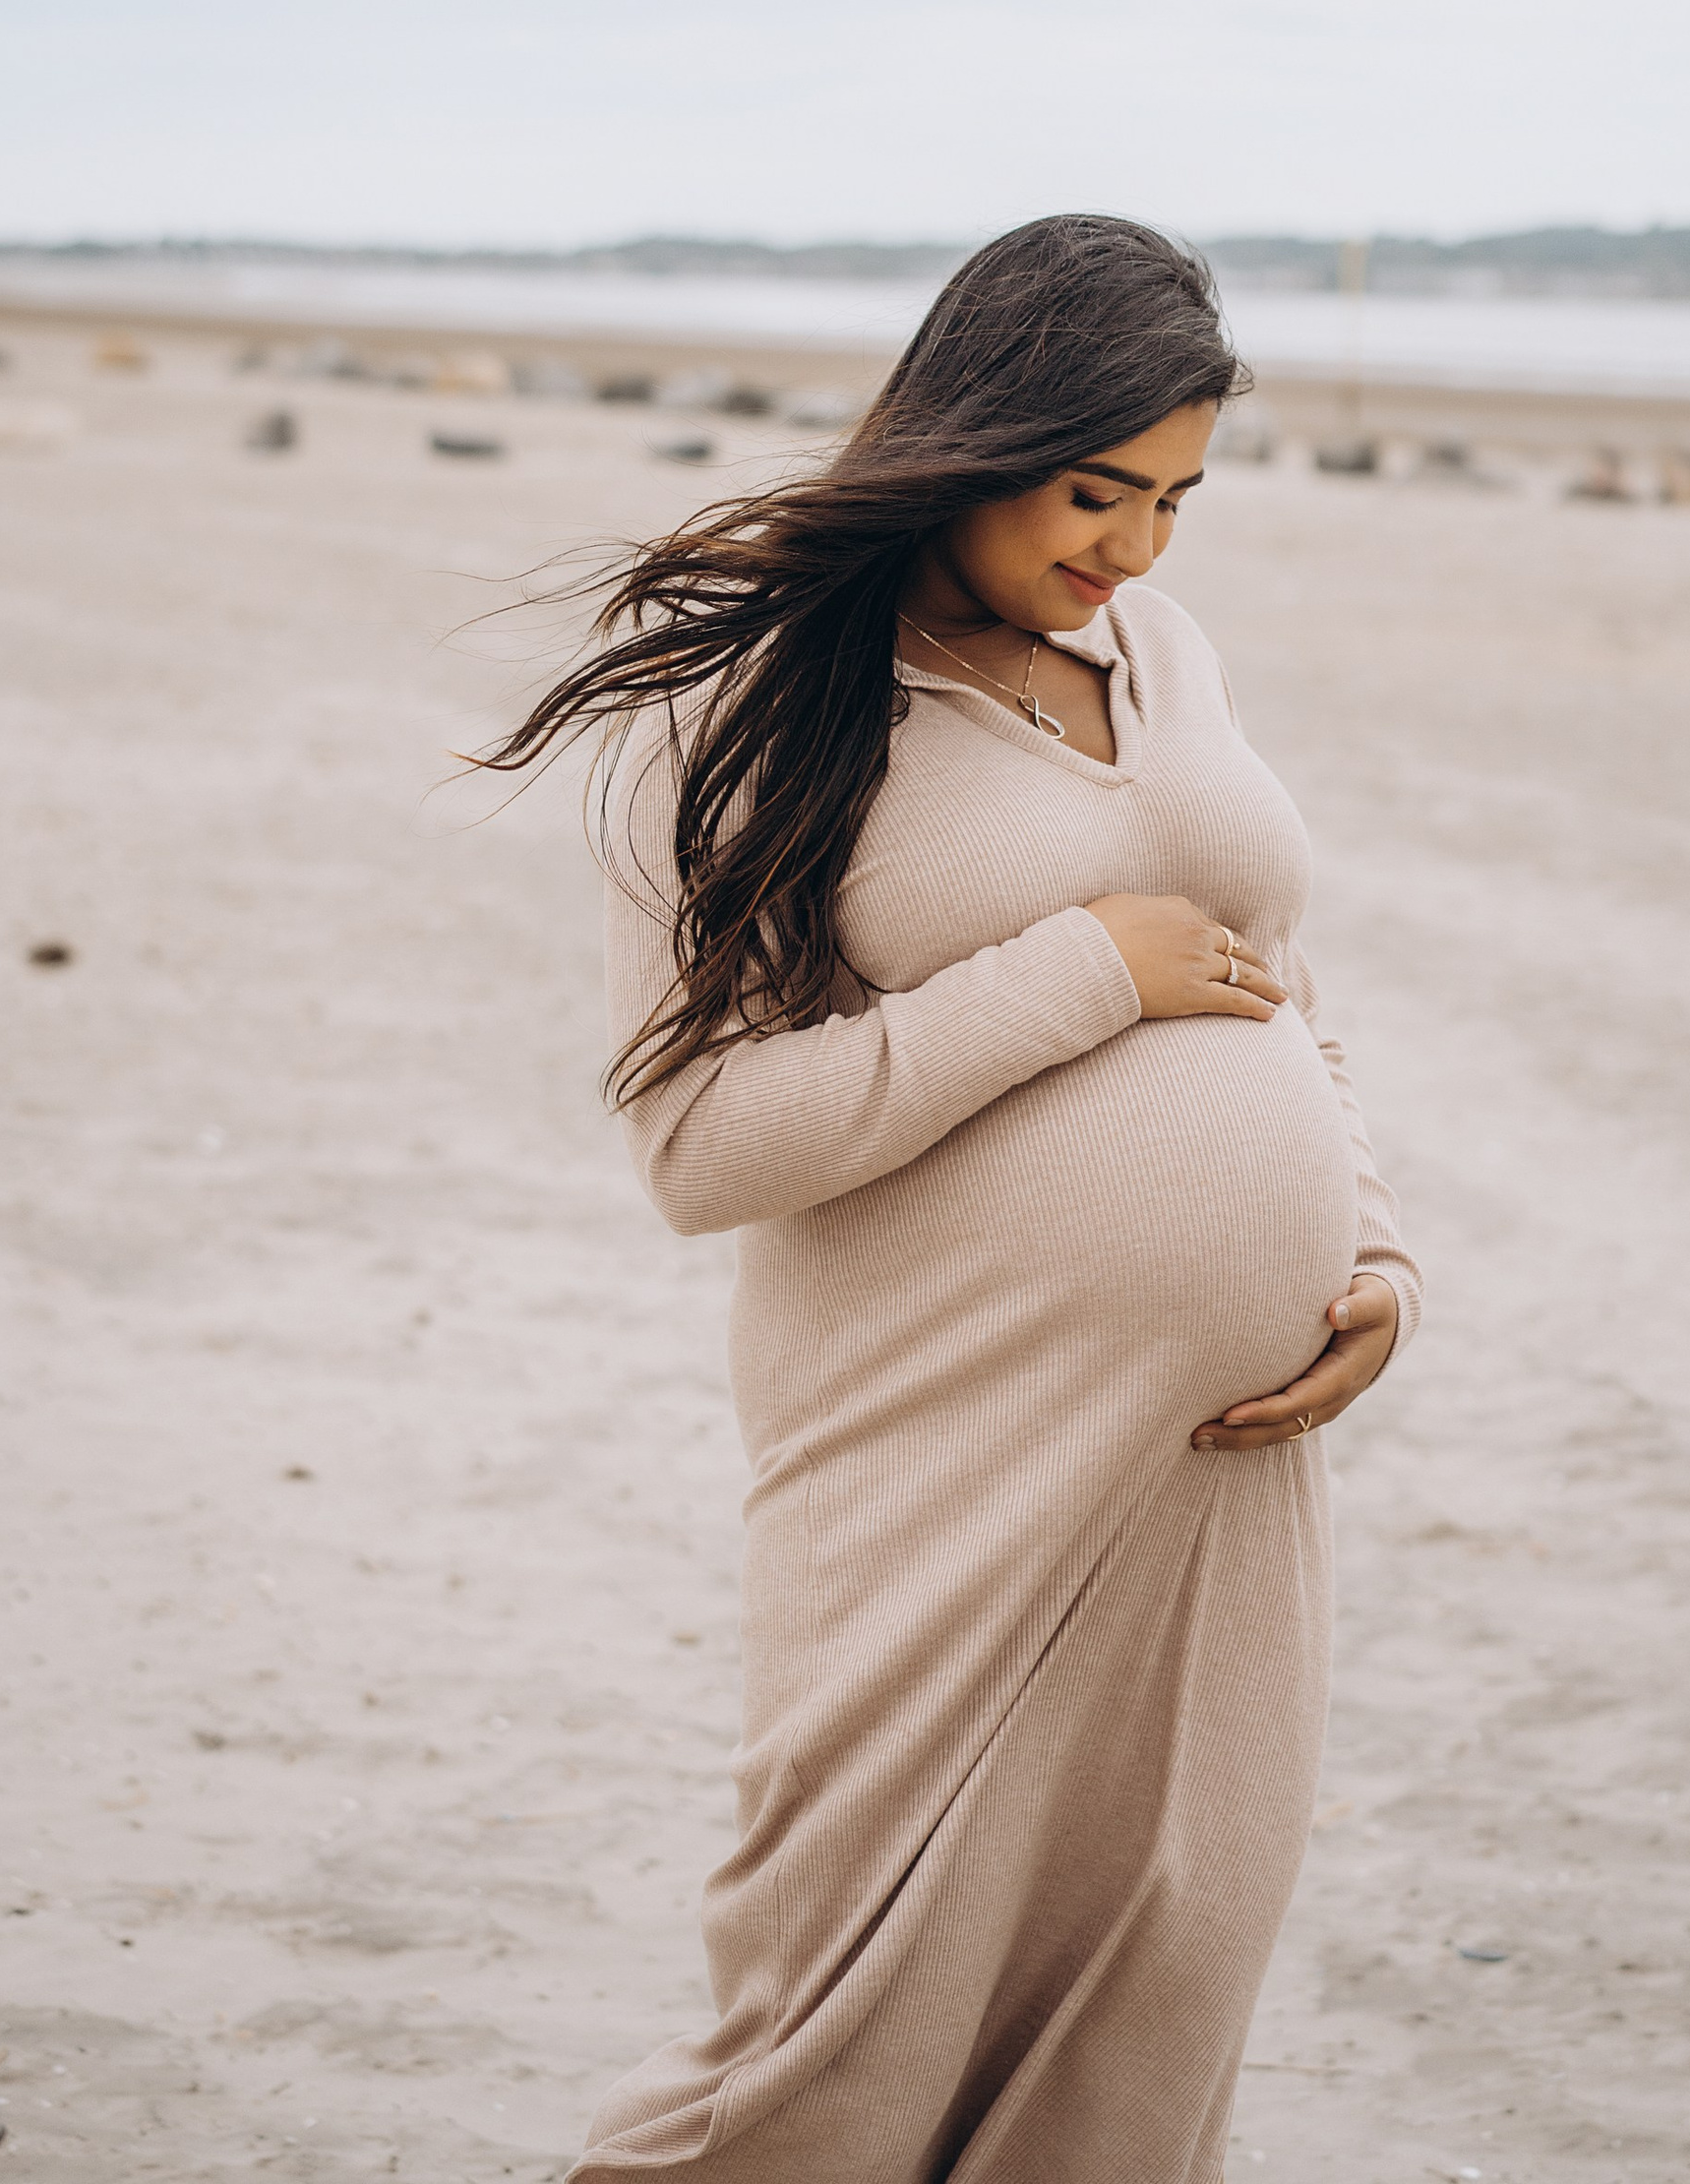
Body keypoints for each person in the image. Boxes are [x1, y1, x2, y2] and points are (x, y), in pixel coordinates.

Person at [486, 212, 1420, 2183]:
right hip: (940, 1447)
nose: (1137, 551)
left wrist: (1369, 1243)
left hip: (1218, 1458)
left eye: (1176, 499)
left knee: (1157, 1969)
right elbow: (701, 1148)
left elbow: (1267, 975)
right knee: (839, 2024)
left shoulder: (1157, 649)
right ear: (976, 432)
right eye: (1098, 494)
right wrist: (1078, 973)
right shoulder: (738, 714)